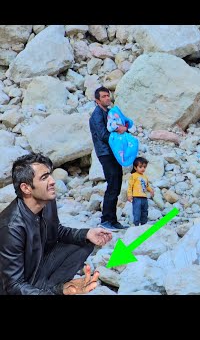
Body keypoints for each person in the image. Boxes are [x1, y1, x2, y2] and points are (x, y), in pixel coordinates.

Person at [0, 153, 113, 295]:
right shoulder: (11, 227)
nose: (52, 181)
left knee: (85, 241)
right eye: (44, 177)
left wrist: (87, 233)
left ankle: (52, 287)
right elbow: (13, 286)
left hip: (39, 267)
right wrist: (59, 292)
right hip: (18, 284)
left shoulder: (46, 201)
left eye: (50, 175)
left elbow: (57, 231)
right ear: (26, 188)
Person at [89, 86, 128, 231]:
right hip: (105, 153)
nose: (107, 98)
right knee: (112, 185)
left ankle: (113, 219)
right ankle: (106, 219)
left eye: (108, 95)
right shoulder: (97, 115)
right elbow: (103, 135)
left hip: (113, 153)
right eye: (104, 96)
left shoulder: (110, 113)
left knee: (116, 184)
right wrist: (118, 130)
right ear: (97, 100)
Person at [127, 157, 154, 226]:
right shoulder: (133, 176)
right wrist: (129, 195)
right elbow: (130, 186)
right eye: (140, 167)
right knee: (137, 211)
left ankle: (143, 224)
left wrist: (151, 190)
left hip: (144, 197)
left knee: (145, 211)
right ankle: (136, 224)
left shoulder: (145, 177)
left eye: (144, 167)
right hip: (136, 197)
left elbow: (147, 186)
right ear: (135, 168)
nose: (143, 169)